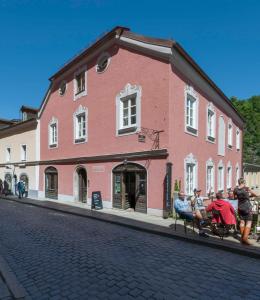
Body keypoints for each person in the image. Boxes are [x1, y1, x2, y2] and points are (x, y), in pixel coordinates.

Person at [233, 178, 259, 245]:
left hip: (240, 207)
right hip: (247, 207)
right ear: (244, 182)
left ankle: (242, 239)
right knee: (249, 222)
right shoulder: (246, 189)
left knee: (242, 221)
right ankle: (245, 238)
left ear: (238, 182)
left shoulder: (235, 189)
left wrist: (243, 197)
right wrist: (250, 193)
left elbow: (235, 197)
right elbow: (255, 195)